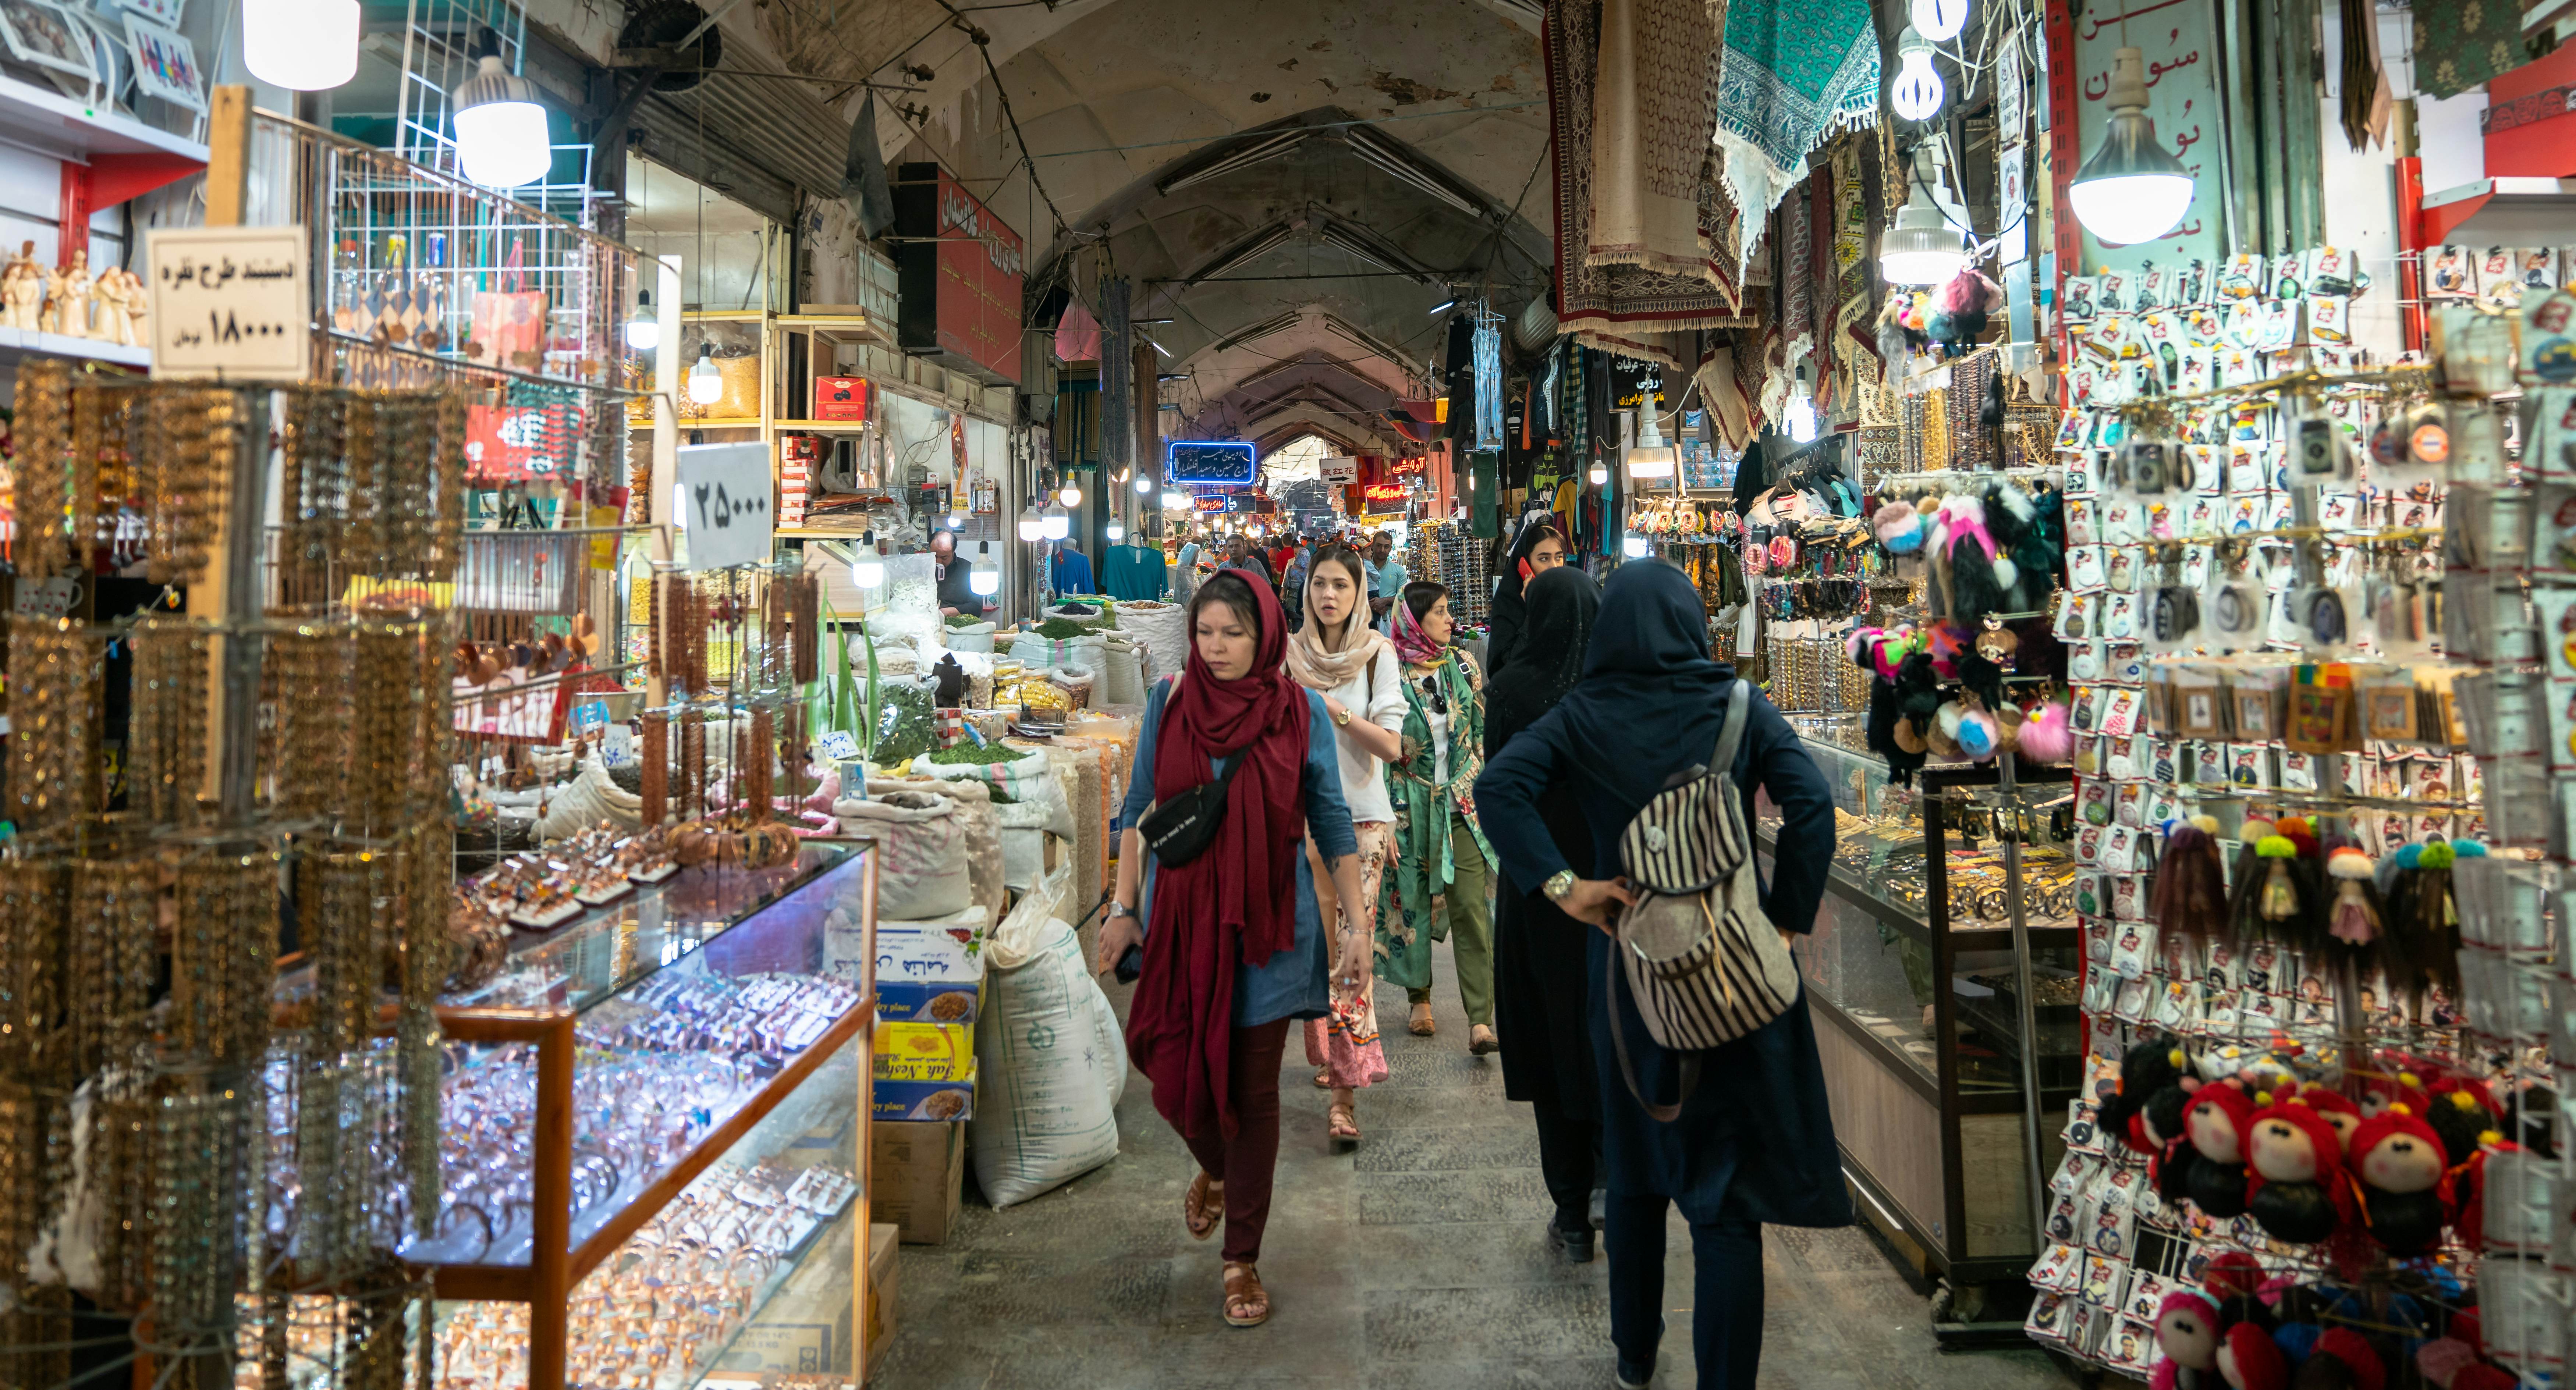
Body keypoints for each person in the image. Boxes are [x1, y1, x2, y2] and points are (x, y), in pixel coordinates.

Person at [1473, 561, 1848, 1390]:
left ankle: (1635, 1357)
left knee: (1637, 1172)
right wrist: (1785, 920)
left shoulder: (1584, 713)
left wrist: (1566, 887)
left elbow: (1498, 786)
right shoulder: (1740, 705)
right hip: (1737, 974)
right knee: (1727, 1198)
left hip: (1629, 976)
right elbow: (1812, 805)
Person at [1097, 571, 1371, 1330]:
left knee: (1253, 1093)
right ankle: (1217, 1168)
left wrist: (1357, 926)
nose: (1215, 647)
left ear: (1265, 638)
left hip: (1270, 926)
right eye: (1205, 632)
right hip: (1183, 921)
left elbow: (1332, 819)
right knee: (1166, 1056)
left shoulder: (1299, 712)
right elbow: (1137, 808)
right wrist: (1123, 908)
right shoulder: (1169, 701)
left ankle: (1240, 1257)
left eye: (1233, 633)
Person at [1483, 565, 1603, 1262]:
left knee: (1550, 1040)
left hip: (1537, 886)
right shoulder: (1611, 694)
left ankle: (1570, 1212)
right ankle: (1610, 1177)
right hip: (1605, 887)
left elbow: (1498, 783)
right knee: (1603, 1032)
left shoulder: (1510, 689)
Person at [1284, 543, 1406, 1148]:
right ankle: (1330, 1053)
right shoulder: (1288, 654)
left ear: (1360, 593)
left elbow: (1391, 745)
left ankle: (1344, 1095)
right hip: (1300, 820)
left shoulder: (1377, 653)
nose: (1328, 595)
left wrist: (1332, 712)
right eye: (1319, 584)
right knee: (1316, 948)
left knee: (1351, 952)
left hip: (1361, 820)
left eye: (1340, 584)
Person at [1375, 580, 1497, 1051]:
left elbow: (1480, 732)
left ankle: (1480, 1018)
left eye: (1450, 610)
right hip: (1408, 805)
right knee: (1412, 902)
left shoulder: (1463, 666)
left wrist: (1484, 792)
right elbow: (1383, 749)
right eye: (1441, 612)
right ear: (1414, 620)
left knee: (1470, 905)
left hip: (1461, 803)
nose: (1450, 620)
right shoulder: (1389, 673)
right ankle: (1419, 997)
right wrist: (1382, 813)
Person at [1485, 521, 1569, 675]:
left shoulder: (1573, 596)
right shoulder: (1509, 604)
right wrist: (1534, 610)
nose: (1555, 566)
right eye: (1544, 559)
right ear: (1525, 564)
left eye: (1559, 557)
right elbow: (1510, 668)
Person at [930, 530, 984, 616]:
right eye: (935, 556)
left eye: (944, 558)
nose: (938, 562)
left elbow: (977, 607)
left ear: (953, 552)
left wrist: (950, 612)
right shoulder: (922, 570)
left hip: (956, 622)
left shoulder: (969, 570)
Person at [1363, 531, 1407, 628]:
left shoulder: (1399, 571)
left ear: (1391, 548)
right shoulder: (1361, 568)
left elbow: (1403, 598)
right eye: (1379, 546)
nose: (1382, 550)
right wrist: (1370, 604)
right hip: (1366, 621)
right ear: (1373, 546)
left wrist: (1384, 601)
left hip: (1391, 622)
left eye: (1386, 547)